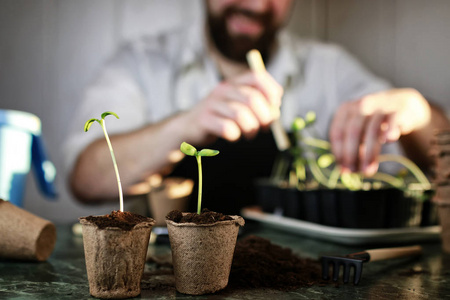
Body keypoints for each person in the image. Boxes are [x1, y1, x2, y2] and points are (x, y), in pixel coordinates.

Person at [64, 0, 450, 214]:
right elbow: (86, 178)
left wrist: (415, 110)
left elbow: (437, 147)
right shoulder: (142, 62)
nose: (255, 3)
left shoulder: (328, 68)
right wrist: (185, 125)